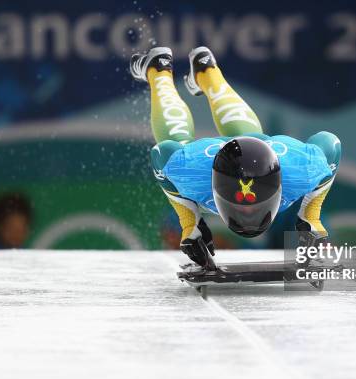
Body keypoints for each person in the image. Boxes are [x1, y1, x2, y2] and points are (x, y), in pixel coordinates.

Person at [130, 46, 341, 270]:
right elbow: (162, 153)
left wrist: (310, 213)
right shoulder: (191, 169)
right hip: (204, 160)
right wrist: (188, 221)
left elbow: (331, 144)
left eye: (254, 206)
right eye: (240, 207)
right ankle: (159, 71)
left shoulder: (302, 169)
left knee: (247, 138)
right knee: (177, 143)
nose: (248, 214)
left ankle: (204, 71)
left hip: (266, 150)